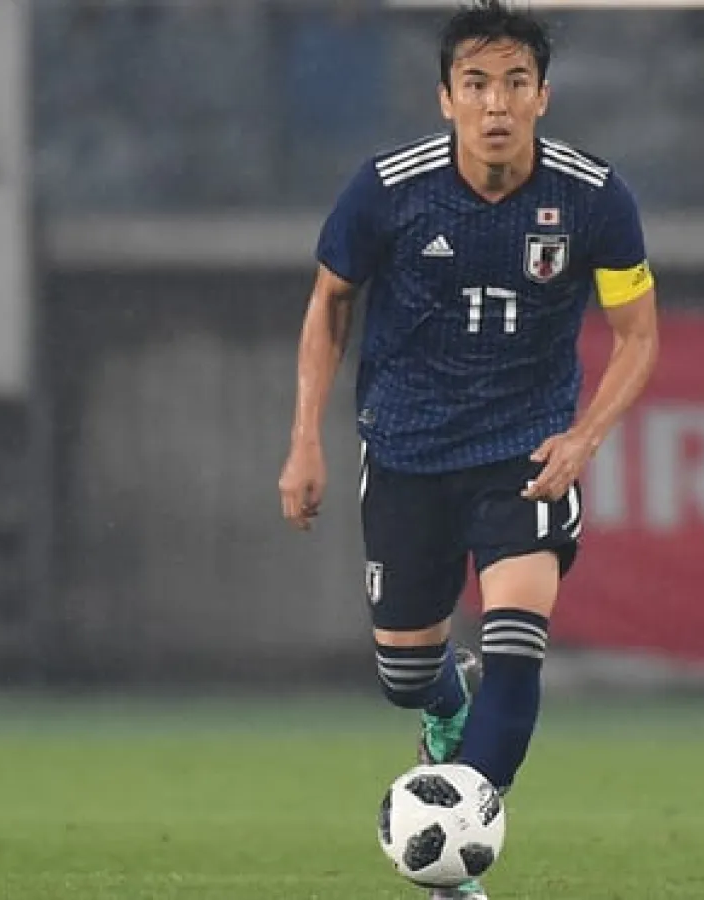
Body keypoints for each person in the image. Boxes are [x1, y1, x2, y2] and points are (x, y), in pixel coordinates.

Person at [277, 3, 659, 897]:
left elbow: (637, 336)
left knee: (519, 646)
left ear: (543, 96)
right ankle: (447, 705)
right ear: (445, 97)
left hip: (523, 454)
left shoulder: (592, 197)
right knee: (407, 673)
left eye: (515, 84)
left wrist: (584, 435)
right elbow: (329, 304)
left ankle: (455, 861)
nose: (497, 104)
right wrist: (305, 441)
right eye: (478, 84)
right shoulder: (390, 189)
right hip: (407, 451)